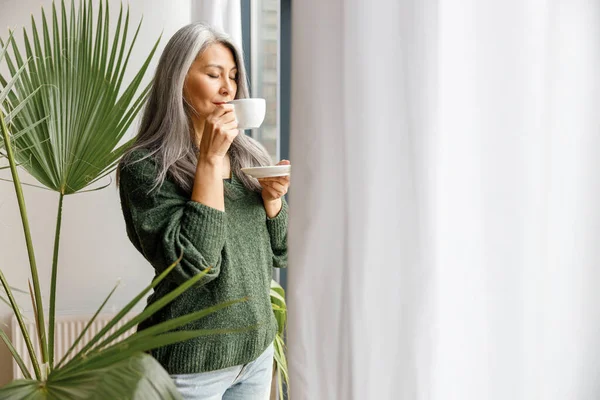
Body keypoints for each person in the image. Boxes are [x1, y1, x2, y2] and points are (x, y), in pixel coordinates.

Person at [117, 22, 289, 400]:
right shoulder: (145, 165)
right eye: (213, 75)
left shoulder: (250, 157)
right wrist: (209, 161)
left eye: (233, 76)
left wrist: (273, 204)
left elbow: (282, 252)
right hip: (189, 364)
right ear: (178, 80)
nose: (228, 88)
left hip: (255, 354)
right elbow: (194, 266)